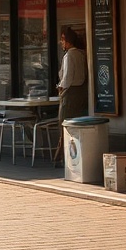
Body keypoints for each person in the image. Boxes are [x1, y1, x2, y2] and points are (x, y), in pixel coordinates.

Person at [55, 26, 89, 163]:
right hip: (81, 92)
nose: (62, 43)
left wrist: (60, 88)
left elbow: (67, 78)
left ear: (68, 41)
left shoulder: (69, 55)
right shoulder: (81, 54)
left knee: (65, 124)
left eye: (63, 40)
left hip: (70, 93)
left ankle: (64, 157)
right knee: (76, 125)